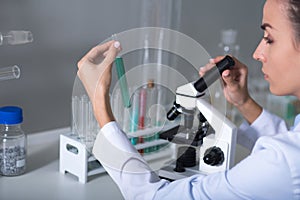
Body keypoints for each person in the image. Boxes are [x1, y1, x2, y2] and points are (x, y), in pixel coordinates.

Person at [77, 0, 300, 199]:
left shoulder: (284, 163)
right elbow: (286, 145)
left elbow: (150, 197)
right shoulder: (290, 153)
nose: (257, 53)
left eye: (269, 39)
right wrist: (242, 101)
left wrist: (99, 101)